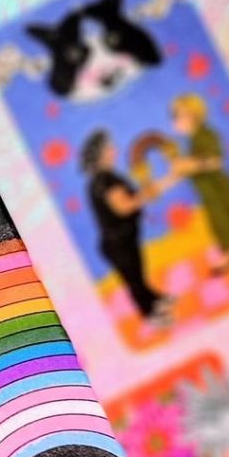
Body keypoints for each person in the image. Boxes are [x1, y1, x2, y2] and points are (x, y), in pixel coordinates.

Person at [80, 129, 176, 325]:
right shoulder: (104, 181)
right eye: (109, 148)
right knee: (134, 280)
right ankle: (151, 314)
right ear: (100, 154)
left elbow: (133, 198)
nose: (114, 151)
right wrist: (155, 189)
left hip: (124, 239)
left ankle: (154, 299)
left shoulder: (107, 177)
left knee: (138, 275)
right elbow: (124, 207)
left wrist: (164, 182)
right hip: (118, 243)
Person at [170, 93, 229, 283]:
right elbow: (192, 166)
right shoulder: (193, 140)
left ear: (195, 115)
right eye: (175, 116)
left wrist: (191, 165)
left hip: (218, 189)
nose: (177, 121)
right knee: (217, 226)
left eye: (181, 115)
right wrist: (183, 167)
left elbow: (215, 160)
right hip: (208, 193)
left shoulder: (206, 134)